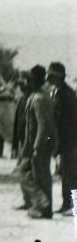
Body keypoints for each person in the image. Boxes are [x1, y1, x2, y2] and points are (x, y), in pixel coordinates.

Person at [16, 65, 57, 219]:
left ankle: (43, 206)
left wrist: (37, 147)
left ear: (33, 81)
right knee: (31, 173)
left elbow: (43, 125)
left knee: (39, 176)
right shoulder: (38, 96)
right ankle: (42, 206)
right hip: (33, 144)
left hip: (39, 144)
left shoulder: (39, 98)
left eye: (28, 80)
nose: (26, 83)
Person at [47, 62, 77, 215]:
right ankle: (67, 203)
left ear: (58, 77)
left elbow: (68, 120)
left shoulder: (67, 94)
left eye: (51, 76)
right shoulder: (57, 92)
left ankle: (73, 205)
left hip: (69, 140)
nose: (48, 79)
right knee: (65, 173)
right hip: (63, 140)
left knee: (71, 173)